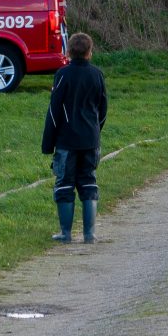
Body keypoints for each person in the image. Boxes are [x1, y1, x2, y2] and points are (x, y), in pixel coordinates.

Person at [41, 31, 107, 242]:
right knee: (88, 181)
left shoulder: (62, 74)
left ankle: (66, 233)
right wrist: (96, 130)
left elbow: (54, 111)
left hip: (66, 141)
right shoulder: (97, 74)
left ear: (68, 51)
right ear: (90, 52)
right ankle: (89, 234)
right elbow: (103, 108)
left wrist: (48, 144)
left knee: (64, 184)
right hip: (90, 139)